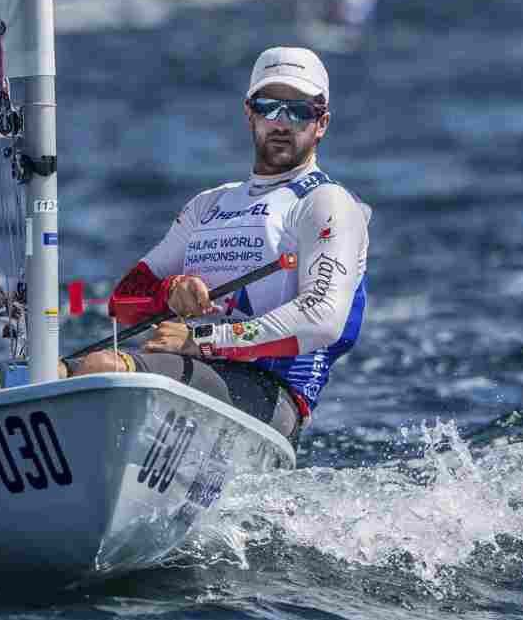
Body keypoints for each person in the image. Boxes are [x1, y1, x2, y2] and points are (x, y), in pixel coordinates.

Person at [60, 47, 370, 444]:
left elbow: (324, 318)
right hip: (188, 372)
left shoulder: (327, 203)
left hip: (270, 393)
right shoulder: (208, 205)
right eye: (269, 107)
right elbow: (123, 302)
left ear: (321, 123)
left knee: (100, 369)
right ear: (249, 113)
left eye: (299, 112)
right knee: (50, 375)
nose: (281, 122)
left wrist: (203, 340)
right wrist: (170, 291)